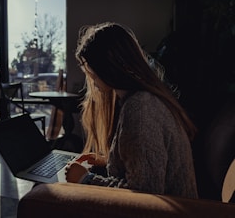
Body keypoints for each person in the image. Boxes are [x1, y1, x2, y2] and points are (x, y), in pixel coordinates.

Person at [65, 22, 198, 199]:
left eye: (91, 69)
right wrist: (108, 161)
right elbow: (148, 166)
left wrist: (85, 179)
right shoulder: (142, 100)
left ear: (107, 67)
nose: (90, 75)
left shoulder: (140, 110)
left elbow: (145, 195)